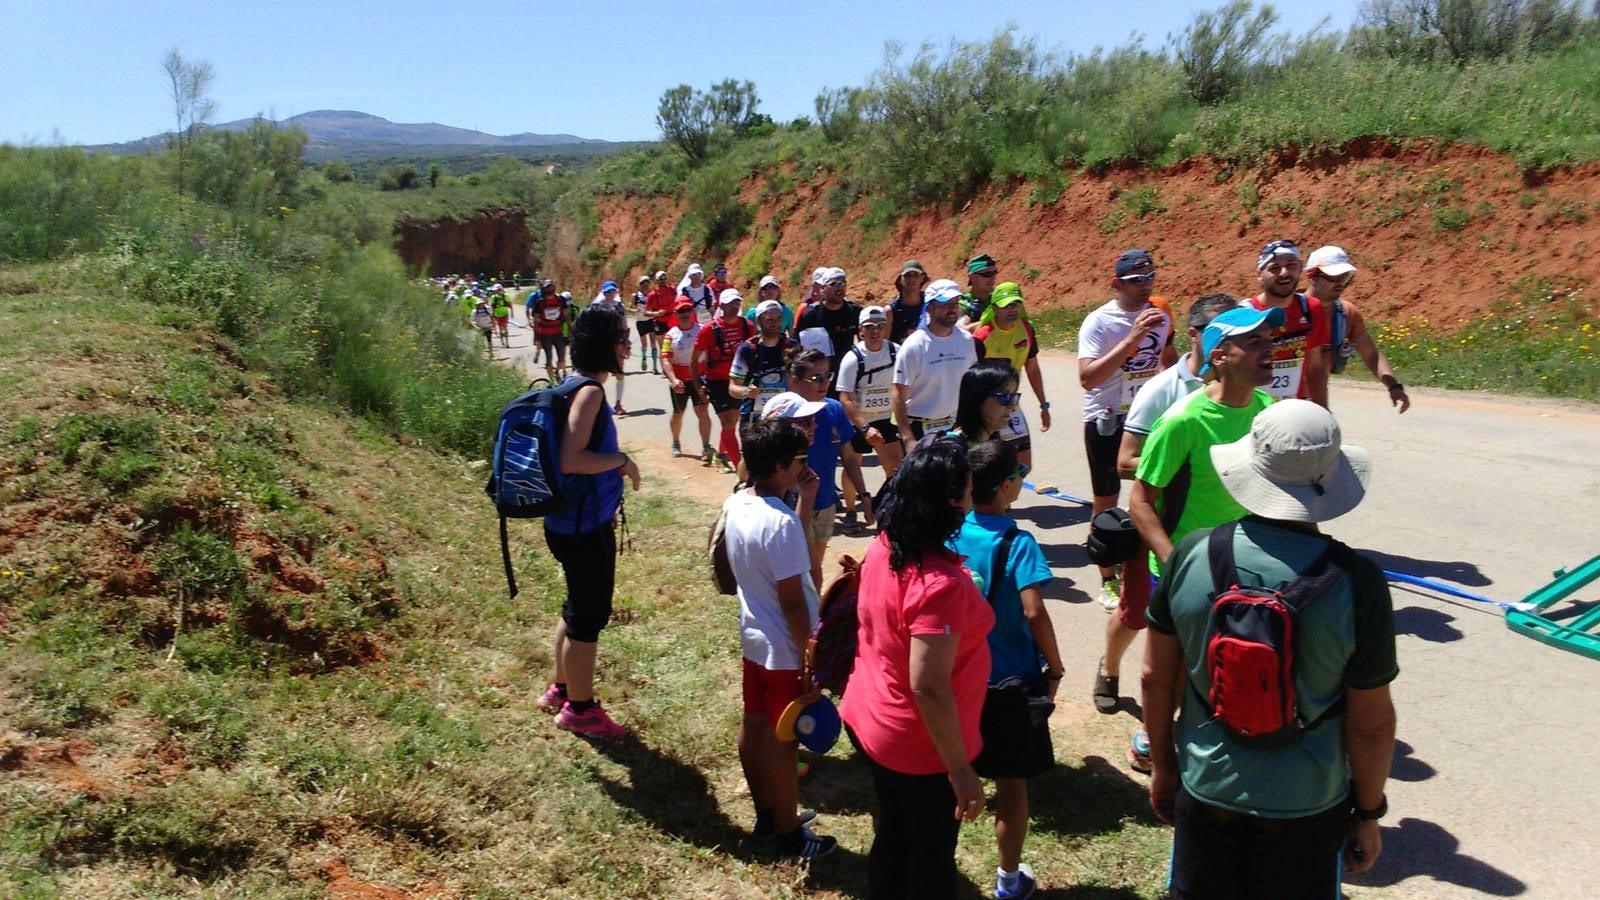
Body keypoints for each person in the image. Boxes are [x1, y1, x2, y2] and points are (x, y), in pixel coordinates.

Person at [1142, 399, 1395, 898]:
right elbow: (1371, 724)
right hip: (1308, 802)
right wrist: (1367, 813)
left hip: (1207, 784)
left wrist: (1165, 767)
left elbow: (1155, 676)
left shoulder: (1191, 552)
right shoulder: (1357, 583)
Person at [840, 440, 993, 899]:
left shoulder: (886, 544)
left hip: (871, 717)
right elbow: (928, 687)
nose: (972, 495)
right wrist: (961, 771)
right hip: (918, 747)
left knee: (895, 837)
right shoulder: (937, 584)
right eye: (967, 488)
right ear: (951, 501)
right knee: (930, 861)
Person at [1103, 293, 1238, 733]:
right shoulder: (1163, 390)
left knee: (1194, 636)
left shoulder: (1245, 394)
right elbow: (1124, 461)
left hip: (1218, 538)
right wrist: (1184, 462)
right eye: (1221, 330)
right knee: (1135, 614)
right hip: (1159, 529)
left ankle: (1173, 723)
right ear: (1196, 335)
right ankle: (1108, 667)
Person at [722, 417, 839, 860]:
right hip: (787, 651)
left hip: (754, 639)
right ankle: (791, 837)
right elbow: (794, 598)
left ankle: (768, 813)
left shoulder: (739, 503)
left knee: (754, 725)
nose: (803, 468)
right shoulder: (780, 523)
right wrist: (809, 659)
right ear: (777, 465)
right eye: (798, 461)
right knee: (785, 739)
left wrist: (803, 500)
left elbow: (786, 550)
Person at [949, 440, 1062, 900]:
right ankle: (1009, 879)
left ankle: (940, 861)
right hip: (1010, 682)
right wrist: (1054, 666)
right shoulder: (1018, 542)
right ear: (1007, 485)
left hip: (959, 678)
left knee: (952, 777)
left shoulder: (952, 533)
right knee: (1012, 786)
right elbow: (1033, 611)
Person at [535, 306, 643, 740]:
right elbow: (571, 458)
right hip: (583, 527)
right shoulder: (591, 393)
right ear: (605, 345)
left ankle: (560, 689)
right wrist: (621, 461)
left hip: (566, 522)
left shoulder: (572, 384)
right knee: (589, 618)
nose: (628, 345)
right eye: (621, 337)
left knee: (576, 606)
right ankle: (580, 708)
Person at [1078, 249, 1177, 611]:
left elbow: (1168, 360)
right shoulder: (1099, 321)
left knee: (1152, 492)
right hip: (1106, 417)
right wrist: (1130, 340)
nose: (1144, 286)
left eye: (1149, 278)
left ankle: (1142, 566)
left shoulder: (1161, 313)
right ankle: (1106, 576)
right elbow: (1087, 379)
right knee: (1106, 499)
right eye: (1136, 281)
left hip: (1148, 416)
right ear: (1116, 283)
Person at [785, 351, 870, 584]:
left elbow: (850, 458)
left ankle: (811, 614)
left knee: (814, 569)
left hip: (826, 504)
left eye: (827, 376)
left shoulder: (834, 409)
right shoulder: (785, 413)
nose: (824, 384)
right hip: (793, 504)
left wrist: (864, 495)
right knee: (808, 572)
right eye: (816, 378)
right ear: (795, 380)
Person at [1304, 245, 1411, 413]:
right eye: (1334, 277)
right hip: (1281, 403)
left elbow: (1371, 355)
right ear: (1312, 276)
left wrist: (1393, 386)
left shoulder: (1346, 314)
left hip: (1318, 407)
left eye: (1345, 277)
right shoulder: (1290, 311)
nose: (1340, 284)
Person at [972, 282, 1052, 468]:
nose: (1012, 309)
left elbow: (1032, 369)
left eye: (1016, 304)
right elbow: (970, 379)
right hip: (986, 407)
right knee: (988, 464)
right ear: (994, 308)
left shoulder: (1026, 329)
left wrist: (1044, 404)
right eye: (1006, 305)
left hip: (1011, 404)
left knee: (1023, 464)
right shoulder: (983, 336)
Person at [1245, 239, 1331, 406]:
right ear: (1259, 274)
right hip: (1251, 411)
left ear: (1300, 269)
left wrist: (1322, 410)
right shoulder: (1246, 313)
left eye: (1291, 265)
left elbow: (1315, 369)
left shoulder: (1311, 308)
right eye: (1274, 268)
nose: (1284, 273)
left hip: (1291, 411)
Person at [894, 279, 979, 441]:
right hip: (920, 429)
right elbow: (898, 395)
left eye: (955, 303)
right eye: (946, 304)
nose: (953, 309)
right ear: (930, 308)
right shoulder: (914, 346)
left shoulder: (966, 340)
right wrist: (908, 439)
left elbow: (971, 385)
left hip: (956, 427)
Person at [837, 306, 906, 478]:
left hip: (887, 418)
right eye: (869, 327)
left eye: (880, 326)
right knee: (852, 471)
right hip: (860, 421)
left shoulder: (896, 352)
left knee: (897, 470)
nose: (875, 331)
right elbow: (845, 398)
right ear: (861, 330)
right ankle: (853, 506)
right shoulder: (852, 359)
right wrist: (865, 428)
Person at [695, 288, 756, 472]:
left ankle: (722, 454)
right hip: (717, 381)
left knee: (733, 420)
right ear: (721, 305)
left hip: (740, 381)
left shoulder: (747, 326)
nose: (734, 307)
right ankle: (740, 467)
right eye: (730, 304)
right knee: (727, 423)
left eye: (737, 303)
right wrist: (699, 386)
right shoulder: (709, 330)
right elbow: (693, 359)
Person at [731, 298, 800, 423]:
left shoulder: (792, 347)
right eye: (769, 320)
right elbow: (733, 388)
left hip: (785, 416)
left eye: (779, 318)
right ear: (759, 321)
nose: (775, 323)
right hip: (755, 418)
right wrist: (747, 391)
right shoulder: (747, 349)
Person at [664, 301, 714, 460]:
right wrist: (673, 380)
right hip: (680, 381)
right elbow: (665, 360)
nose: (685, 314)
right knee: (679, 413)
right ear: (675, 314)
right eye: (681, 311)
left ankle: (706, 446)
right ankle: (675, 442)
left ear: (692, 311)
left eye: (687, 310)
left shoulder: (703, 330)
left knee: (702, 412)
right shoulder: (670, 335)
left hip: (699, 380)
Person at [795, 267, 862, 387]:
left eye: (842, 283)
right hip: (819, 379)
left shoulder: (854, 312)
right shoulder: (810, 315)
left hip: (846, 375)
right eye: (833, 284)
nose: (839, 287)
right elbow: (797, 350)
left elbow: (864, 344)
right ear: (823, 289)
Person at [952, 359, 1022, 449]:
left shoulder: (996, 448)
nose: (1012, 406)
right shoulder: (953, 455)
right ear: (977, 398)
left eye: (1013, 396)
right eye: (1004, 397)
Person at [591, 281, 628, 414]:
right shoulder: (596, 307)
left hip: (617, 342)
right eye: (608, 292)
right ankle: (598, 403)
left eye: (612, 291)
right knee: (600, 374)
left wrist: (626, 342)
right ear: (603, 292)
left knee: (620, 373)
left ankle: (618, 403)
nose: (610, 294)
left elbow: (624, 324)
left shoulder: (619, 306)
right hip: (601, 343)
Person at [530, 280, 576, 378]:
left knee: (562, 358)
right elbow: (536, 321)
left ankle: (557, 374)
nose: (550, 289)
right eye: (547, 287)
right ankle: (551, 382)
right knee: (549, 359)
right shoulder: (539, 303)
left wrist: (570, 330)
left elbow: (566, 315)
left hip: (558, 333)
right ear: (543, 289)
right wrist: (536, 337)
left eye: (551, 287)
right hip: (545, 335)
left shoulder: (560, 300)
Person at [645, 270, 678, 373]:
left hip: (672, 320)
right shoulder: (652, 295)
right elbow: (646, 312)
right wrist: (656, 313)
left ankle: (673, 366)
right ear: (656, 281)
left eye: (665, 279)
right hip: (659, 322)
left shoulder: (673, 290)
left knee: (673, 345)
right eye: (661, 279)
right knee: (663, 346)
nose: (663, 281)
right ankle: (665, 369)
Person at [888, 259, 929, 345]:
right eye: (907, 276)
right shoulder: (891, 310)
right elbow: (884, 345)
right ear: (901, 279)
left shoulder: (930, 305)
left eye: (915, 275)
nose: (911, 279)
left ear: (922, 278)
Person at [958, 253, 999, 332]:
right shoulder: (963, 304)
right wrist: (997, 321)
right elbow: (962, 330)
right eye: (987, 274)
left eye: (994, 272)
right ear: (972, 277)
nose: (993, 278)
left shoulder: (999, 299)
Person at [631, 275, 655, 373]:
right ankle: (644, 358)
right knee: (644, 344)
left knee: (653, 343)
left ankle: (654, 366)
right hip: (641, 321)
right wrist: (635, 310)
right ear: (640, 285)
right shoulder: (635, 296)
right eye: (643, 284)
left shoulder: (652, 294)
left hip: (650, 320)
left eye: (647, 283)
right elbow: (630, 308)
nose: (645, 285)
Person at [490, 285, 512, 349]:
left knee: (505, 327)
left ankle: (507, 343)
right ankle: (502, 343)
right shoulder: (493, 297)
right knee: (500, 328)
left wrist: (512, 311)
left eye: (500, 290)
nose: (498, 291)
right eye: (497, 290)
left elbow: (509, 303)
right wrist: (492, 314)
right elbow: (492, 306)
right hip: (497, 314)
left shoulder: (506, 296)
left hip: (505, 313)